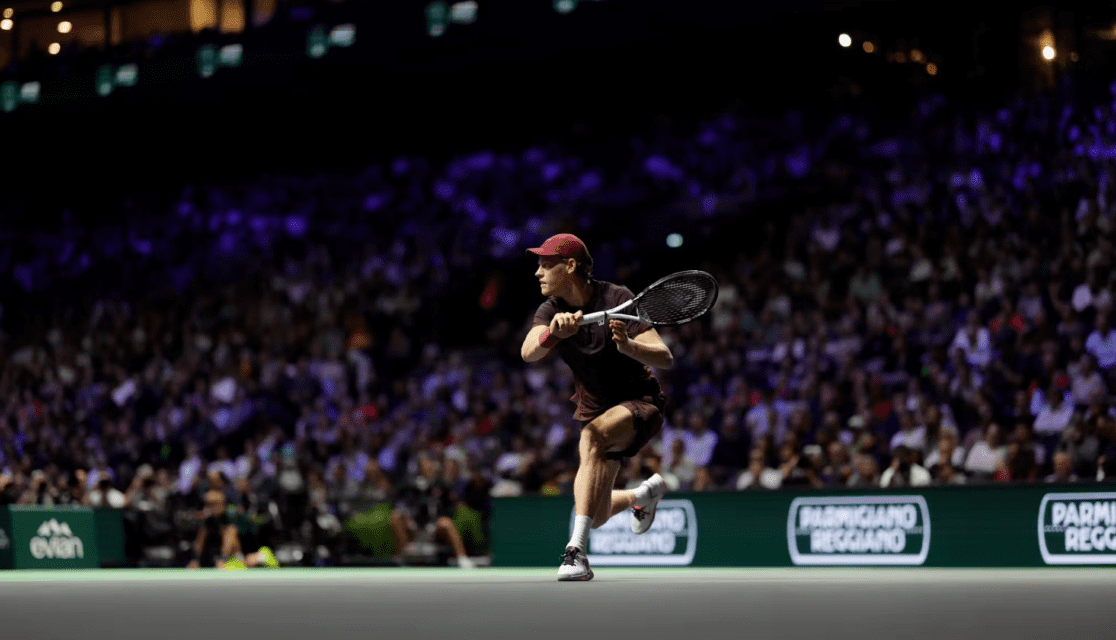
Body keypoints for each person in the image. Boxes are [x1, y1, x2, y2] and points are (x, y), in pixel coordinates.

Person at [521, 233, 671, 582]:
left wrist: (629, 345)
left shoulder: (617, 298)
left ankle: (575, 554)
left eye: (545, 265)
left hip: (638, 403)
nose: (537, 273)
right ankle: (644, 493)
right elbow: (529, 352)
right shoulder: (552, 309)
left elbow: (664, 355)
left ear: (570, 266)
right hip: (595, 409)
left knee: (591, 437)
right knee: (597, 513)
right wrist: (553, 334)